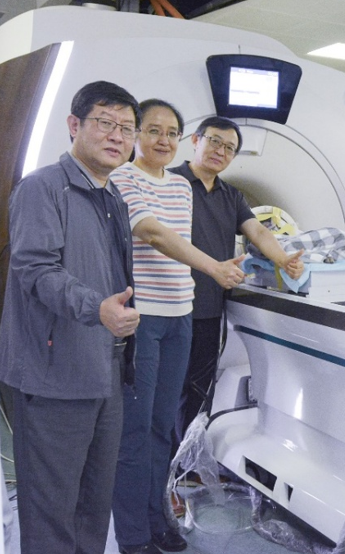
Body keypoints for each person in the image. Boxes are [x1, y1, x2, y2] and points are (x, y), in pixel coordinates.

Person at [0, 81, 141, 554]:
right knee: (51, 510)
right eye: (105, 122)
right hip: (54, 374)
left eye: (127, 128)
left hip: (105, 371)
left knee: (93, 505)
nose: (117, 135)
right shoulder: (42, 188)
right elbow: (35, 269)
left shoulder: (113, 196)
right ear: (74, 125)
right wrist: (96, 308)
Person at [110, 100, 246, 553]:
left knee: (162, 425)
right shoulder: (122, 178)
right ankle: (133, 535)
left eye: (171, 132)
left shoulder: (180, 187)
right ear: (136, 135)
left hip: (180, 315)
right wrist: (215, 267)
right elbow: (152, 234)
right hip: (143, 317)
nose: (163, 140)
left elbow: (179, 244)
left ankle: (158, 518)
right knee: (135, 429)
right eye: (153, 130)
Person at [172, 116, 304, 446]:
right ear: (196, 140)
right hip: (169, 307)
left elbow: (257, 231)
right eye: (215, 141)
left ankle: (187, 460)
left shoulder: (231, 196)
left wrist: (283, 260)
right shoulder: (170, 183)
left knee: (199, 390)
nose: (221, 151)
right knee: (167, 391)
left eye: (230, 148)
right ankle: (159, 464)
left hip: (208, 308)